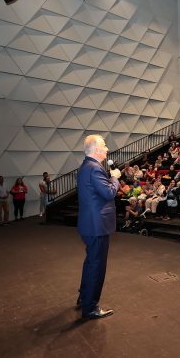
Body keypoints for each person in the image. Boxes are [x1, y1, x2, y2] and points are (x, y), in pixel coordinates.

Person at [76, 134, 120, 319]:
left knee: (90, 263)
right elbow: (109, 192)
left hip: (90, 224)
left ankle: (84, 298)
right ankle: (90, 307)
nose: (107, 148)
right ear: (95, 149)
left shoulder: (86, 167)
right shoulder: (95, 169)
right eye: (104, 145)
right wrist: (115, 178)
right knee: (97, 266)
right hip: (97, 226)